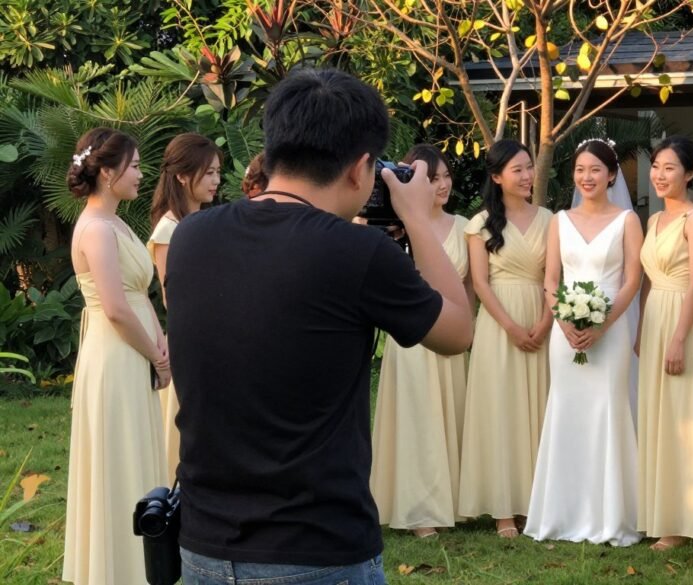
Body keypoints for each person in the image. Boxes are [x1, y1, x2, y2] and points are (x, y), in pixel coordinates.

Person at [165, 68, 474, 584]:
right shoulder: (358, 253)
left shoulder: (192, 237)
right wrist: (418, 219)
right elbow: (457, 331)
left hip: (204, 546)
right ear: (360, 169)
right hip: (318, 551)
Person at [62, 127, 169, 584]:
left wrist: (160, 334)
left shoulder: (118, 222)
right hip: (117, 355)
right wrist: (158, 358)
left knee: (136, 450)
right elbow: (116, 308)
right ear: (108, 172)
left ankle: (139, 563)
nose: (143, 175)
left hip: (133, 350)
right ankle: (119, 568)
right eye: (137, 166)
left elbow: (138, 299)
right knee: (119, 454)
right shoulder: (96, 228)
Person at [524, 138, 643, 546]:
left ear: (611, 174)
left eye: (595, 169)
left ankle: (610, 516)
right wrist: (565, 321)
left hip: (611, 334)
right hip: (565, 335)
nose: (586, 177)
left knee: (608, 411)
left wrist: (604, 324)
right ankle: (562, 513)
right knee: (566, 411)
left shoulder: (627, 220)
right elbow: (551, 280)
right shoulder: (559, 219)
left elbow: (632, 280)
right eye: (579, 169)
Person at [370, 144, 474, 538]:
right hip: (413, 336)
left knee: (452, 413)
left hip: (453, 335)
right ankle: (419, 510)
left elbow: (468, 286)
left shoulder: (466, 226)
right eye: (433, 178)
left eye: (446, 176)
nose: (442, 184)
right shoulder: (397, 230)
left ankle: (455, 501)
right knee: (418, 418)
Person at [459, 140, 552, 539]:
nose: (527, 175)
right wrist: (512, 328)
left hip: (542, 318)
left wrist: (546, 322)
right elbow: (479, 283)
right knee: (502, 410)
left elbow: (556, 278)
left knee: (541, 409)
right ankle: (502, 511)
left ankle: (537, 501)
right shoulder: (479, 224)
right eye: (517, 169)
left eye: (529, 167)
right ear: (497, 177)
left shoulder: (551, 219)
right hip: (499, 326)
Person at [635, 136, 693, 551]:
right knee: (658, 414)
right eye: (656, 167)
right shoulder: (653, 221)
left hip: (684, 318)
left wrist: (679, 337)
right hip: (656, 320)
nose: (660, 175)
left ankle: (685, 518)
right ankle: (660, 510)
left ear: (689, 174)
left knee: (683, 416)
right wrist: (642, 328)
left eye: (669, 168)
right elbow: (648, 280)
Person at [147, 132, 222, 482]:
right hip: (190, 338)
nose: (216, 181)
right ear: (182, 175)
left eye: (218, 173)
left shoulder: (207, 223)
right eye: (208, 173)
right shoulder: (169, 229)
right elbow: (170, 296)